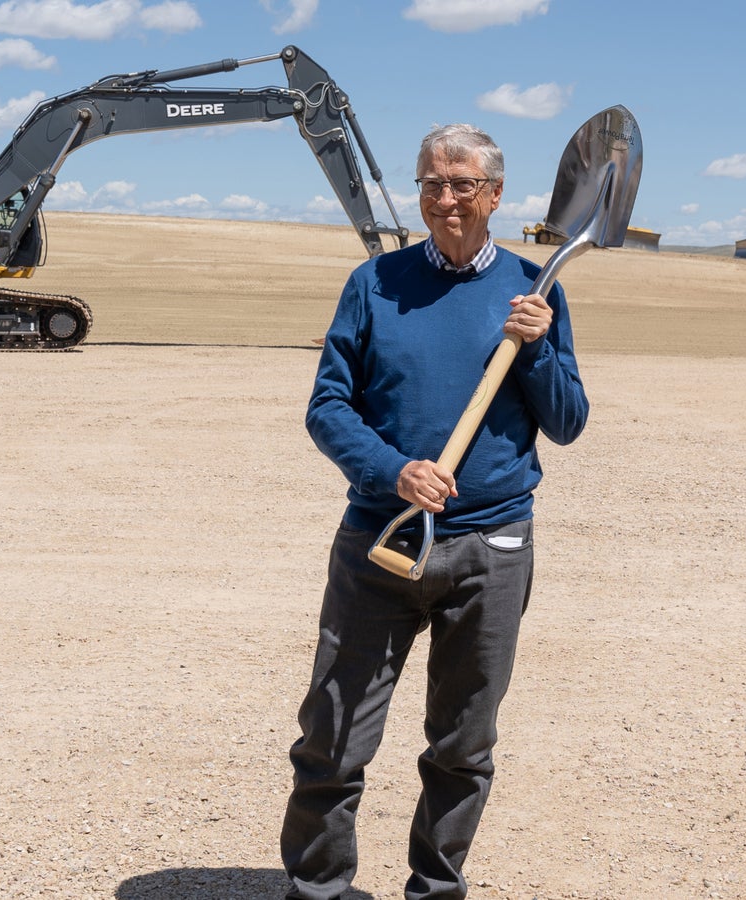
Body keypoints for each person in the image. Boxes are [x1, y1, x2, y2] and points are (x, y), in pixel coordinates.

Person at [280, 123, 589, 900]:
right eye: (429, 183)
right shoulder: (374, 283)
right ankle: (318, 889)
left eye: (459, 185)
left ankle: (436, 887)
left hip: (491, 547)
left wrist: (541, 347)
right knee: (333, 734)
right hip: (379, 542)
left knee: (463, 744)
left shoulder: (533, 289)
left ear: (494, 195)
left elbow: (567, 421)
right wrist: (394, 471)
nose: (443, 198)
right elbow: (327, 408)